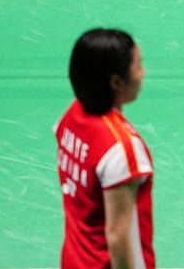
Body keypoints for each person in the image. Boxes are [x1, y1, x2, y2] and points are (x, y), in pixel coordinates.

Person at [55, 29, 155, 269]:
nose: (143, 74)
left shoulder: (71, 116)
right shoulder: (121, 149)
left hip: (74, 260)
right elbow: (117, 237)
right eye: (138, 66)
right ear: (116, 82)